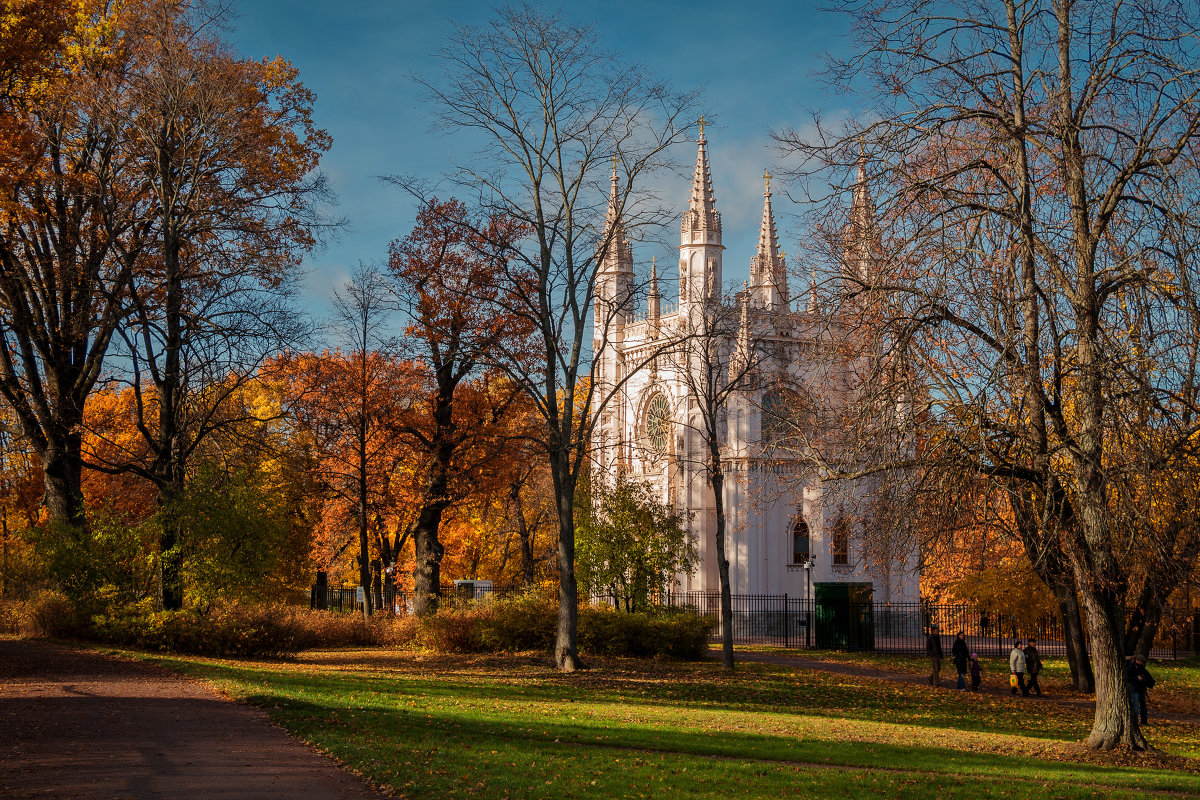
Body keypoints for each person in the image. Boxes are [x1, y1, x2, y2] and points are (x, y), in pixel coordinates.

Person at [1126, 654, 1153, 726]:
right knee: (1135, 707)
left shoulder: (1142, 668)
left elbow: (1147, 676)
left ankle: (1144, 722)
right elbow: (1127, 677)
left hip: (1142, 689)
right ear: (1137, 660)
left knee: (1143, 707)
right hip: (1135, 689)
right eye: (1141, 662)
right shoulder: (1131, 667)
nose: (1142, 664)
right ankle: (1135, 722)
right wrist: (1136, 678)